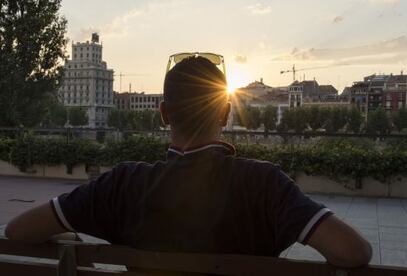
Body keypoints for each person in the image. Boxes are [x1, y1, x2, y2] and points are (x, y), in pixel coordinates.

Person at [5, 56, 372, 268]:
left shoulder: (120, 184)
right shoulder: (265, 185)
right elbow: (352, 251)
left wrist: (69, 234)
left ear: (164, 113)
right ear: (225, 112)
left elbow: (18, 231)